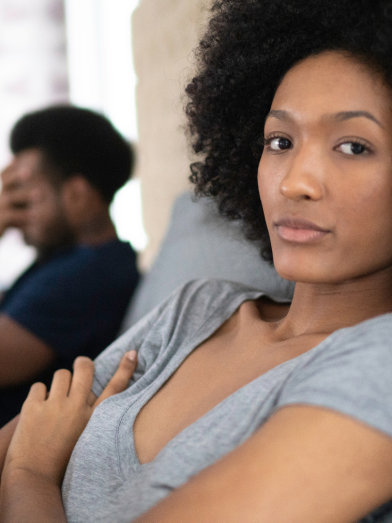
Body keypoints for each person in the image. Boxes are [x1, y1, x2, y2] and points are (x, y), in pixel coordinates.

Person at [3, 0, 392, 521]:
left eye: (354, 147)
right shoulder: (196, 307)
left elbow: (22, 453)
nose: (293, 181)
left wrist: (29, 474)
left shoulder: (379, 365)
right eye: (279, 141)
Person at [0, 106, 140, 427]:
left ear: (76, 194)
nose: (14, 214)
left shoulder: (90, 274)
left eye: (26, 199)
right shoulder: (64, 263)